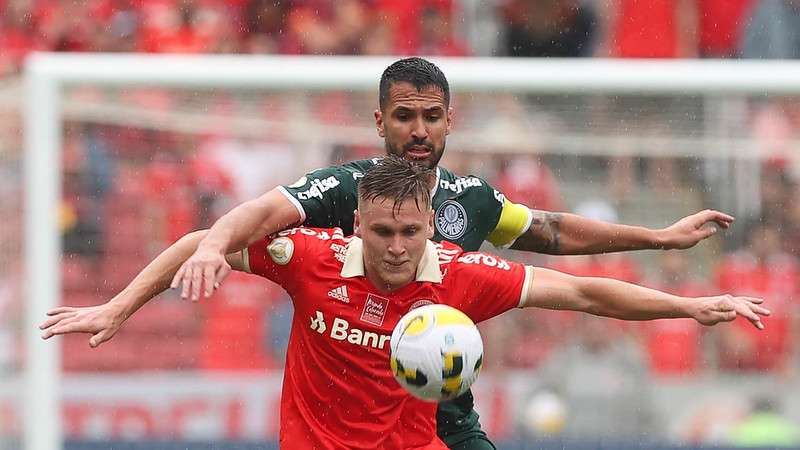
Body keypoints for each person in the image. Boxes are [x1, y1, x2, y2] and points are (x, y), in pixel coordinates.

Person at [40, 57, 737, 449]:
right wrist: (209, 250)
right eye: (404, 115)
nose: (417, 129)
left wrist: (660, 240)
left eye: (430, 116)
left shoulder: (471, 206)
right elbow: (256, 216)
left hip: (440, 408)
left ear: (448, 122)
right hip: (347, 396)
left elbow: (555, 240)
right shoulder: (341, 196)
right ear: (381, 122)